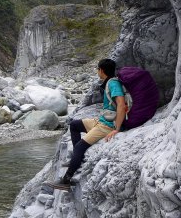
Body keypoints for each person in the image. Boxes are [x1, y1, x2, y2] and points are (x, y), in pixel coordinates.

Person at [44, 58, 127, 191]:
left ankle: (66, 180)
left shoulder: (113, 84)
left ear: (101, 70)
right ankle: (78, 158)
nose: (97, 72)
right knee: (75, 125)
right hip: (102, 121)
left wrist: (116, 129)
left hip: (107, 126)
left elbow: (121, 105)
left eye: (97, 69)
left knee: (80, 146)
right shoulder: (109, 82)